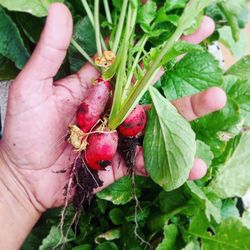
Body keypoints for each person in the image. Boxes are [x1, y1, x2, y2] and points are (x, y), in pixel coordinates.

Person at [0, 3, 227, 249]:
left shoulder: (110, 115)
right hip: (104, 130)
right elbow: (92, 109)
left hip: (112, 127)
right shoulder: (100, 98)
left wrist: (17, 187)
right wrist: (16, 183)